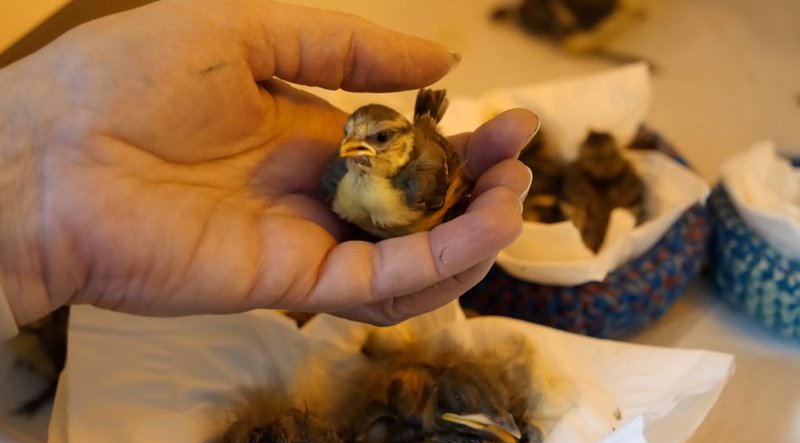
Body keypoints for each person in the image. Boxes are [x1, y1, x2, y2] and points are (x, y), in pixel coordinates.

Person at [0, 0, 537, 339]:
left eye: (376, 141)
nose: (353, 150)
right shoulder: (337, 184)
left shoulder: (419, 184)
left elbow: (442, 169)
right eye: (352, 140)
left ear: (400, 142)